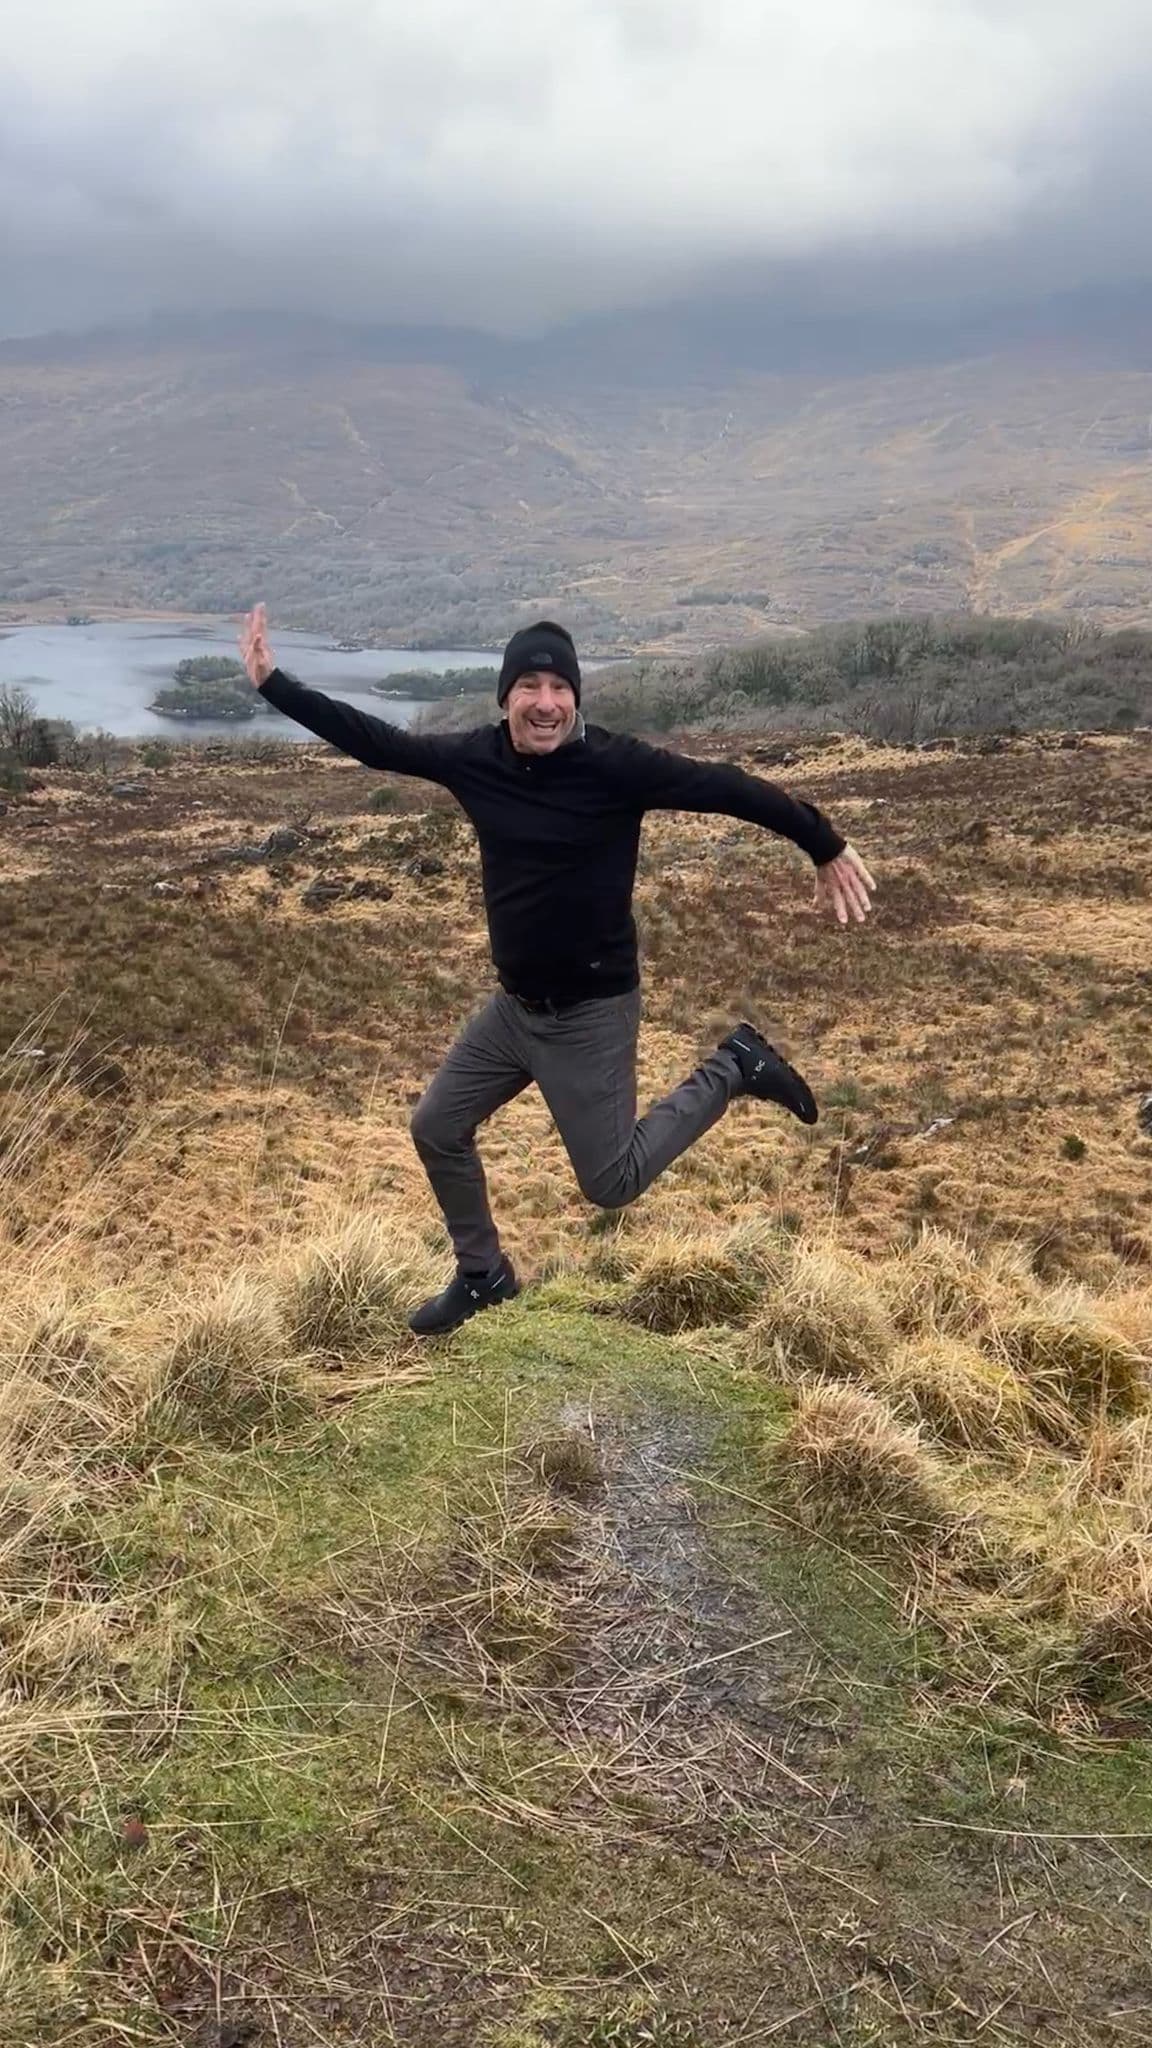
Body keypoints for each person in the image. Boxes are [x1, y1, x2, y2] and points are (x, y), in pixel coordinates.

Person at [240, 605, 874, 1334]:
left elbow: (726, 786)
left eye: (559, 688)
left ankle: (734, 1065)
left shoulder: (616, 768)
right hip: (515, 1012)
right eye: (529, 686)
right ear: (506, 696)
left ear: (575, 697)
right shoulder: (475, 760)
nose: (545, 703)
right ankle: (482, 1278)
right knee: (436, 1127)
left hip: (590, 1014)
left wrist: (819, 840)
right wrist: (272, 684)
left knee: (611, 1183)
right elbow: (378, 744)